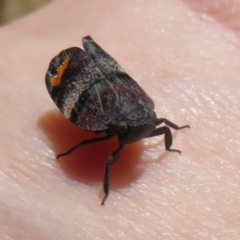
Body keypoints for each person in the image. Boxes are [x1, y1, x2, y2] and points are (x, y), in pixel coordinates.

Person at [0, 0, 239, 239]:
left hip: (116, 97)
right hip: (97, 94)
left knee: (158, 126)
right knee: (107, 157)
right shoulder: (106, 121)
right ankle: (105, 192)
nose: (144, 129)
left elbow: (162, 124)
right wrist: (73, 150)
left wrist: (168, 143)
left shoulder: (150, 118)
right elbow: (92, 141)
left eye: (148, 122)